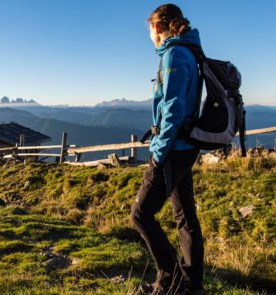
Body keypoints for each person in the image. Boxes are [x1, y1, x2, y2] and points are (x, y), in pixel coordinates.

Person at [130, 4, 204, 295]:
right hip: (186, 146)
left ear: (157, 28)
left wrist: (158, 154)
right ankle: (192, 286)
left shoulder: (174, 54)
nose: (149, 35)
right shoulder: (188, 51)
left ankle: (169, 281)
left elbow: (172, 109)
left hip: (172, 149)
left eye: (149, 29)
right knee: (185, 216)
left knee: (140, 214)